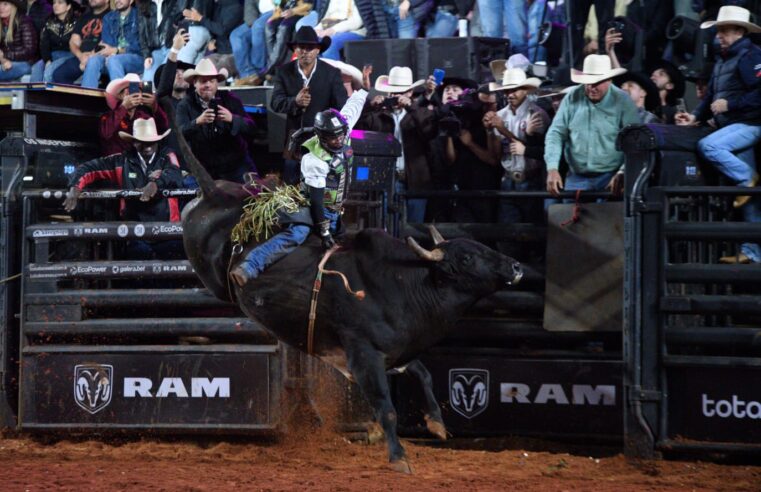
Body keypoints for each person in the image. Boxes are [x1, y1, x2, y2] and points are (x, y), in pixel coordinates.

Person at [229, 66, 371, 287]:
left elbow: (352, 108)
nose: (340, 140)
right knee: (298, 233)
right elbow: (315, 199)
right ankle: (250, 265)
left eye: (342, 135)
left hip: (335, 207)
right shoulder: (313, 160)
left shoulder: (342, 129)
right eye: (334, 138)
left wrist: (363, 91)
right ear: (322, 137)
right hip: (314, 204)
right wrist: (323, 229)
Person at [675, 5, 761, 264]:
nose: (718, 35)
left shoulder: (751, 56)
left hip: (750, 124)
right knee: (751, 200)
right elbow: (712, 95)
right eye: (718, 30)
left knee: (709, 147)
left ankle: (747, 179)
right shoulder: (724, 59)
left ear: (738, 31)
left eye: (723, 30)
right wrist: (695, 117)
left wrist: (730, 105)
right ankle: (753, 252)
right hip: (735, 125)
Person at [63, 117, 184, 259]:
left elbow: (175, 174)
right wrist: (76, 187)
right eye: (142, 142)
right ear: (134, 142)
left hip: (167, 228)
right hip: (136, 229)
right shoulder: (121, 161)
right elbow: (88, 168)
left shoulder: (167, 156)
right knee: (138, 263)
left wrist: (156, 183)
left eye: (151, 142)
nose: (148, 146)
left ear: (157, 141)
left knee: (171, 269)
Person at [544, 54, 639, 199]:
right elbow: (556, 133)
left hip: (611, 177)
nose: (590, 87)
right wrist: (552, 168)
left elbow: (634, 140)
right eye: (587, 82)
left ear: (609, 80)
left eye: (597, 82)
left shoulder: (623, 101)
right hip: (577, 176)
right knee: (569, 219)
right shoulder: (572, 97)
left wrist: (623, 172)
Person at [358, 65, 436, 223]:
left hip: (416, 181)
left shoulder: (420, 113)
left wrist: (412, 107)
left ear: (410, 92)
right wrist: (369, 106)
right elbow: (356, 130)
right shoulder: (377, 115)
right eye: (393, 93)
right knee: (386, 225)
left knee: (415, 226)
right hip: (385, 180)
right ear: (387, 92)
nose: (397, 97)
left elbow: (430, 132)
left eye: (401, 93)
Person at [270, 26, 347, 184]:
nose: (305, 51)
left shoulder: (331, 73)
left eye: (310, 48)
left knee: (321, 187)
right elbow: (275, 103)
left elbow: (340, 108)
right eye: (301, 47)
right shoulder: (283, 72)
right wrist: (295, 102)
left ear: (318, 50)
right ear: (295, 50)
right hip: (294, 141)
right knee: (290, 185)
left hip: (322, 142)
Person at [484, 67, 549, 226]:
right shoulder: (500, 115)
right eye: (507, 91)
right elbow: (495, 155)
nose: (510, 94)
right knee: (508, 231)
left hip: (531, 180)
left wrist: (501, 129)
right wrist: (490, 132)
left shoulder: (536, 114)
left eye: (515, 90)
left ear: (526, 90)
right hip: (507, 178)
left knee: (531, 231)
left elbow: (538, 151)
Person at [176, 58, 256, 183]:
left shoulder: (231, 100)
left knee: (252, 196)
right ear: (194, 83)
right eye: (203, 81)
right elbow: (179, 134)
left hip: (236, 164)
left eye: (211, 81)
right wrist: (197, 122)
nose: (208, 85)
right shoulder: (185, 105)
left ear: (217, 83)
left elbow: (252, 128)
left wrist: (232, 119)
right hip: (204, 167)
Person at [99, 72, 170, 156]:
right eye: (127, 90)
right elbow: (105, 134)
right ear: (120, 96)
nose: (131, 93)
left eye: (136, 90)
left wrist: (155, 107)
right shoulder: (108, 116)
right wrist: (124, 107)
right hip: (115, 164)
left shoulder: (145, 117)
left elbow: (163, 129)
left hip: (139, 164)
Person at [52, 0, 109, 86]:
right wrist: (81, 56)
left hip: (101, 57)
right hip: (81, 57)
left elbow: (108, 41)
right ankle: (73, 99)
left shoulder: (112, 16)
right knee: (59, 74)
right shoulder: (84, 17)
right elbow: (73, 41)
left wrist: (90, 56)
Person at [137, 0, 183, 84]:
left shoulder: (175, 2)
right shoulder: (144, 4)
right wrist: (147, 55)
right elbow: (142, 33)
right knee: (148, 82)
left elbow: (182, 20)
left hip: (173, 46)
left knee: (165, 76)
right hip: (156, 49)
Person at [230, 0, 274, 87]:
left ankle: (259, 73)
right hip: (259, 16)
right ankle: (248, 74)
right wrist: (251, 22)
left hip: (277, 12)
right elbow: (250, 5)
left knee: (257, 27)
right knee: (236, 35)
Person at [35, 0, 78, 82]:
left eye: (60, 2)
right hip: (52, 55)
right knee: (36, 68)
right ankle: (34, 94)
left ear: (68, 7)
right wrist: (47, 60)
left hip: (70, 56)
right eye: (54, 3)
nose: (55, 5)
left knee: (49, 72)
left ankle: (49, 94)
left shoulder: (77, 22)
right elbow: (44, 44)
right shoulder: (48, 21)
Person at [0, 0, 38, 82]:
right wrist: (4, 60)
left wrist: (6, 56)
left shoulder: (24, 21)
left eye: (5, 4)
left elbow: (29, 50)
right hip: (6, 62)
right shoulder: (2, 24)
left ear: (14, 7)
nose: (1, 7)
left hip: (26, 63)